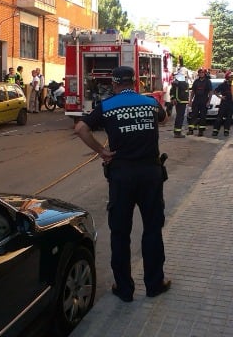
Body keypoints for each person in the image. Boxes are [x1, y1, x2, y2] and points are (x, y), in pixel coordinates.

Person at [74, 66, 171, 302]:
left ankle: (125, 289)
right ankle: (154, 284)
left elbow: (80, 128)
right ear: (135, 82)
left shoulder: (106, 106)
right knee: (152, 229)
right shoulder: (148, 102)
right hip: (150, 174)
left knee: (120, 233)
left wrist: (102, 152)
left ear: (115, 84)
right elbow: (165, 119)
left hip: (121, 176)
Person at [188, 68, 213, 136]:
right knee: (193, 115)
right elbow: (193, 91)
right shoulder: (196, 81)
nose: (201, 74)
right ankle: (191, 130)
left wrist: (208, 101)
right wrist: (190, 100)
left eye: (202, 72)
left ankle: (201, 131)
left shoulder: (208, 81)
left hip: (204, 100)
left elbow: (210, 92)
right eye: (200, 72)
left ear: (204, 73)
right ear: (198, 74)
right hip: (196, 100)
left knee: (203, 116)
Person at [211, 71, 233, 136]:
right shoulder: (223, 85)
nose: (232, 78)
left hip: (231, 103)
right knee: (219, 117)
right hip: (224, 103)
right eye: (230, 77)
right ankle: (215, 131)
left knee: (229, 118)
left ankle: (226, 131)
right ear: (227, 77)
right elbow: (215, 91)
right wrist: (220, 97)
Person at [170, 68, 190, 138]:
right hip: (180, 101)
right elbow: (172, 91)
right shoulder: (178, 81)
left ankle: (177, 132)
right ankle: (177, 133)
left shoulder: (181, 81)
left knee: (180, 117)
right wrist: (173, 98)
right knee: (180, 117)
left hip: (182, 101)